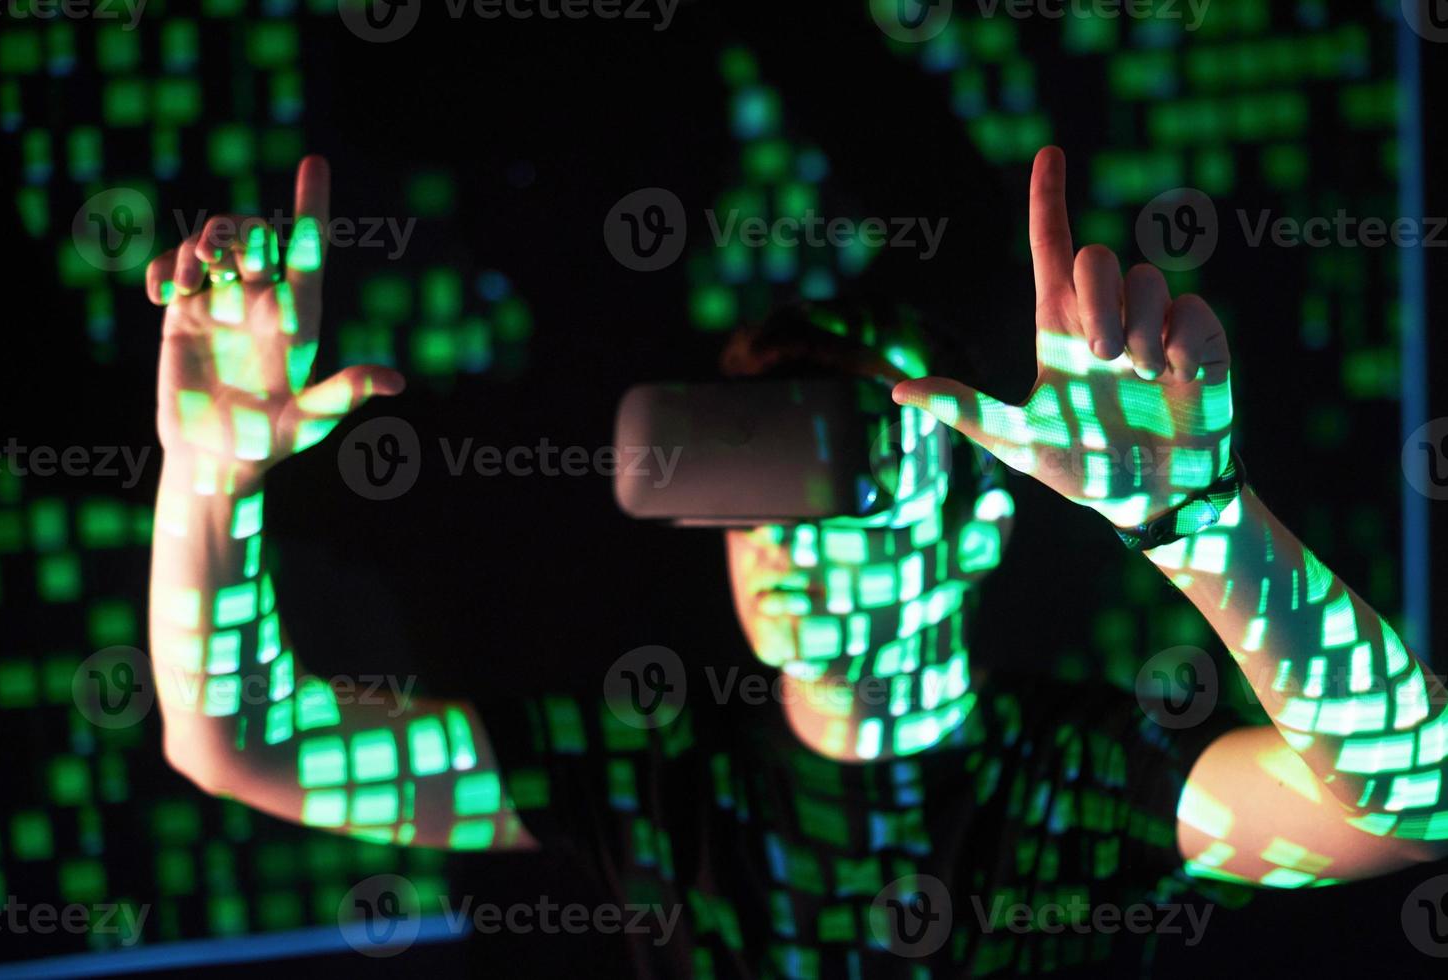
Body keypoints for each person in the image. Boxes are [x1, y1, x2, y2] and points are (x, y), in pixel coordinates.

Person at [141, 148, 1448, 976]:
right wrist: (213, 479)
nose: (789, 530)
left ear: (976, 521)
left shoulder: (1088, 781)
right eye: (752, 467)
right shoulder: (658, 783)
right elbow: (237, 740)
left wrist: (1202, 525)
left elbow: (1417, 802)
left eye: (852, 466)